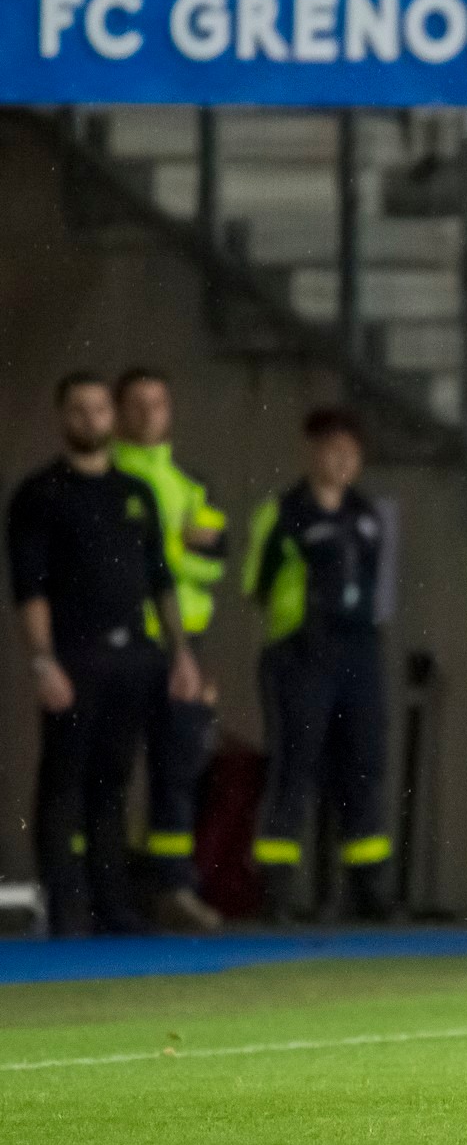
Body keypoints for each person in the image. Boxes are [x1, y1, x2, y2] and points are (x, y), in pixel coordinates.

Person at [7, 372, 202, 935]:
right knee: (65, 781)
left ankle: (111, 904)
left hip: (133, 659)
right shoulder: (40, 494)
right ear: (62, 417)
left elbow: (161, 581)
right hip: (74, 657)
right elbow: (30, 587)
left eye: (98, 410)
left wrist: (181, 654)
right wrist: (43, 660)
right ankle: (65, 907)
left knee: (114, 782)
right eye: (79, 410)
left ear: (110, 418)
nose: (91, 420)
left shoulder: (133, 494)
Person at [242, 407, 393, 924]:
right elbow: (254, 585)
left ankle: (366, 888)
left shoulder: (367, 515)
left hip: (358, 654)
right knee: (294, 767)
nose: (344, 460)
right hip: (301, 655)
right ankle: (277, 893)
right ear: (313, 451)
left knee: (363, 767)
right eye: (334, 449)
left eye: (353, 452)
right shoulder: (283, 512)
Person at [112, 369, 228, 933]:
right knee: (105, 768)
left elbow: (213, 562)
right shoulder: (103, 478)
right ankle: (107, 888)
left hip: (181, 645)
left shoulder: (193, 483)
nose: (148, 414)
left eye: (158, 403)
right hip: (116, 641)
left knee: (177, 768)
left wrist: (177, 555)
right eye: (136, 404)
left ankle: (173, 886)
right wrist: (179, 548)